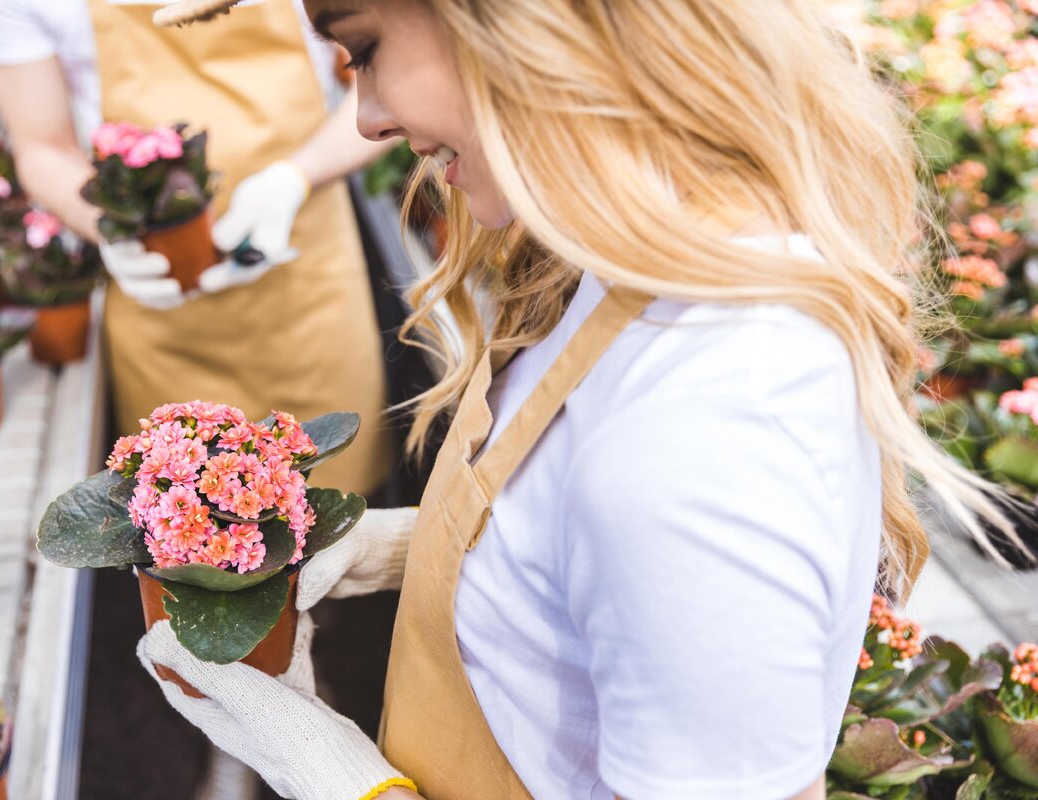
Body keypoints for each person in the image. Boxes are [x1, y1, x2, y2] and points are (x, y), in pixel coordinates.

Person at [136, 1, 1019, 798]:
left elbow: (658, 508)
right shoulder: (625, 268)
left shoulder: (705, 429)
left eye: (363, 46)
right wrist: (407, 545)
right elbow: (603, 540)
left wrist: (332, 775)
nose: (366, 117)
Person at [0, 0, 394, 497]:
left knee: (335, 510)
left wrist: (294, 178)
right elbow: (42, 148)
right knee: (191, 528)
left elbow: (394, 84)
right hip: (165, 316)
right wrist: (109, 230)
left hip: (310, 286)